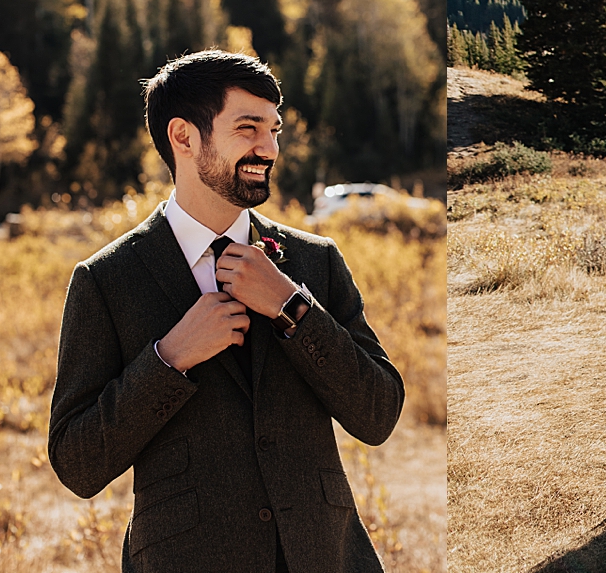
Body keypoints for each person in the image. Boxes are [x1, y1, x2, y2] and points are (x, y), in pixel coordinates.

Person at [48, 49, 405, 573]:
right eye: (248, 128)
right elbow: (78, 462)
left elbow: (378, 413)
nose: (270, 147)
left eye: (274, 129)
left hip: (325, 557)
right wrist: (169, 359)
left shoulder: (315, 262)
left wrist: (291, 308)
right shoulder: (105, 280)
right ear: (184, 137)